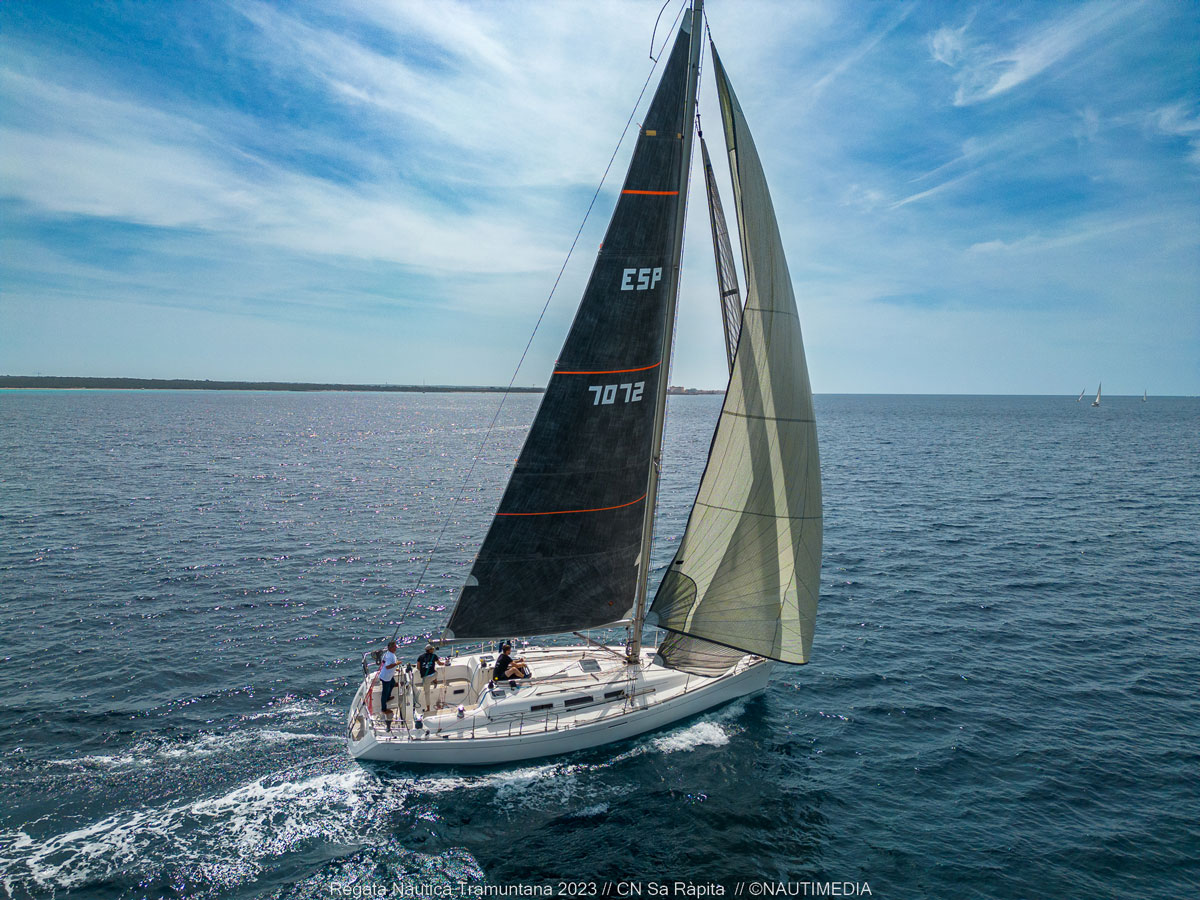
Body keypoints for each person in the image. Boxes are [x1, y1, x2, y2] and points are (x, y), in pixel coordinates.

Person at [415, 643, 449, 713]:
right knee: (435, 671)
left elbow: (418, 667)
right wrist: (445, 663)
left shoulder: (420, 657)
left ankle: (428, 708)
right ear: (430, 650)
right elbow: (439, 663)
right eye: (432, 649)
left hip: (425, 678)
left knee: (427, 693)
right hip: (433, 675)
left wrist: (424, 672)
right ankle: (435, 680)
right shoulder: (434, 656)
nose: (433, 650)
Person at [378, 639, 399, 731]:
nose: (396, 647)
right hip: (386, 677)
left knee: (393, 683)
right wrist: (396, 664)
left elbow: (384, 663)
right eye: (394, 646)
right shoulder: (390, 656)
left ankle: (387, 697)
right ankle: (384, 708)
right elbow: (387, 666)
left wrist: (395, 668)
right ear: (390, 648)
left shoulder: (387, 654)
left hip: (389, 676)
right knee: (385, 692)